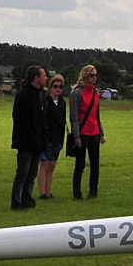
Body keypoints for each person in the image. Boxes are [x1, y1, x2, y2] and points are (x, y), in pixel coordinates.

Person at [11, 65, 47, 210]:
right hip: (26, 143)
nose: (46, 78)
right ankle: (16, 201)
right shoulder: (23, 95)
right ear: (36, 78)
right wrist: (30, 135)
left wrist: (44, 137)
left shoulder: (41, 95)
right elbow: (18, 119)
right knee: (22, 173)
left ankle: (27, 198)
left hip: (38, 142)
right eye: (43, 75)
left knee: (32, 174)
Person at [69, 64, 105, 199]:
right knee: (80, 164)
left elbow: (97, 114)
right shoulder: (76, 93)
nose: (94, 78)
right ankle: (77, 193)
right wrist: (76, 135)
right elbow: (74, 116)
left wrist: (101, 133)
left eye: (96, 75)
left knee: (95, 164)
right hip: (83, 132)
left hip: (94, 131)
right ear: (85, 76)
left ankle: (93, 192)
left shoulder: (96, 93)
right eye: (92, 75)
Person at [37, 73, 66, 200]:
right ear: (51, 87)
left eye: (60, 86)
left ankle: (49, 192)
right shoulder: (45, 101)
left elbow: (63, 121)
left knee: (52, 166)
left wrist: (62, 140)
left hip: (57, 138)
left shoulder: (62, 103)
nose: (58, 88)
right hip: (46, 137)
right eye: (55, 86)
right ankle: (42, 192)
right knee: (44, 164)